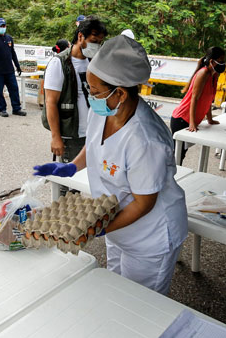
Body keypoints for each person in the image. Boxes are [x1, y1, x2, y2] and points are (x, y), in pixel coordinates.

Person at [33, 36, 188, 295]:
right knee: (115, 291)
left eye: (94, 91)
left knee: (137, 304)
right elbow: (94, 144)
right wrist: (72, 166)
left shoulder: (145, 139)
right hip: (117, 222)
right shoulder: (104, 108)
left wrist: (95, 228)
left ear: (120, 92)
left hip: (148, 237)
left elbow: (143, 204)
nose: (90, 96)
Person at [43, 16, 107, 162]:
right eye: (94, 41)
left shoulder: (93, 61)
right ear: (80, 36)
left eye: (99, 43)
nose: (97, 46)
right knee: (70, 179)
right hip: (71, 135)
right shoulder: (59, 63)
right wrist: (56, 137)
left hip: (93, 132)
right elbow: (50, 102)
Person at [169, 47, 225, 164]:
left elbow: (208, 99)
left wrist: (210, 119)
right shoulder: (203, 73)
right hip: (182, 119)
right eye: (220, 60)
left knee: (180, 156)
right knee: (176, 155)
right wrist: (192, 123)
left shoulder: (214, 75)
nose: (222, 63)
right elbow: (194, 98)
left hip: (189, 119)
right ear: (211, 61)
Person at [0, 18, 26, 117]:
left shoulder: (9, 38)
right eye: (0, 26)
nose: (2, 28)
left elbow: (13, 53)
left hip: (9, 70)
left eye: (4, 26)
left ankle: (16, 108)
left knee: (14, 89)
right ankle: (2, 108)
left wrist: (17, 66)